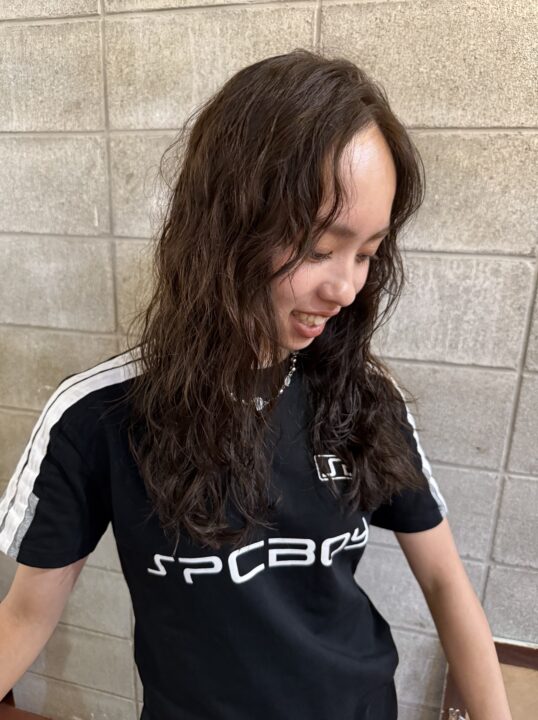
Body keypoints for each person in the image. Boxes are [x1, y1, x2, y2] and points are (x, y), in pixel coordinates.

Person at [0, 49, 512, 720]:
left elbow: (445, 581)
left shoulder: (364, 396)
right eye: (320, 248)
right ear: (228, 224)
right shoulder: (99, 414)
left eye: (367, 253)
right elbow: (25, 615)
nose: (345, 287)